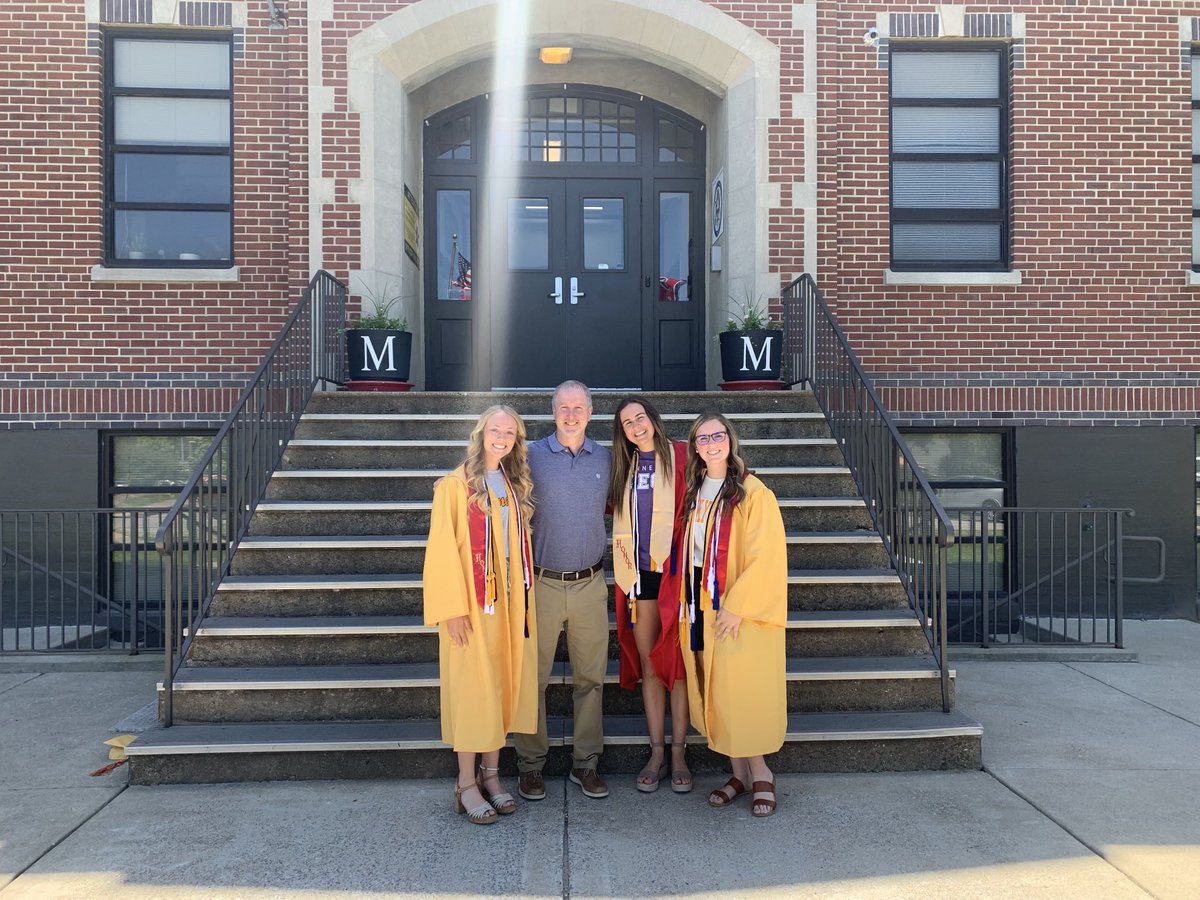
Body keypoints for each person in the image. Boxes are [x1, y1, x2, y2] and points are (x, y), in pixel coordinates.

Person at [423, 405, 538, 825]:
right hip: (471, 605)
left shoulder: (512, 483)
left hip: (509, 602)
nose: (502, 437)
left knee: (502, 686)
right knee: (474, 692)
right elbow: (440, 552)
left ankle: (492, 777)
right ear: (481, 433)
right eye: (496, 429)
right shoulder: (455, 486)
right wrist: (451, 611)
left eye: (510, 432)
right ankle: (466, 783)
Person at [673, 412, 787, 817]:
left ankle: (762, 774)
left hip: (737, 605)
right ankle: (738, 772)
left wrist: (738, 606)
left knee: (742, 690)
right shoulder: (695, 490)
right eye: (702, 439)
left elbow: (766, 556)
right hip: (699, 601)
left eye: (717, 435)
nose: (711, 444)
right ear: (695, 448)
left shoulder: (753, 493)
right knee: (715, 687)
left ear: (730, 441)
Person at [514, 380, 613, 800]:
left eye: (579, 407)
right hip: (540, 583)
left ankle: (585, 765)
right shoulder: (531, 456)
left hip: (590, 582)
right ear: (552, 411)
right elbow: (489, 471)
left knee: (591, 679)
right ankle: (530, 766)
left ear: (590, 412)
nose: (571, 414)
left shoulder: (606, 458)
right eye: (563, 407)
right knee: (530, 679)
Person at [608, 397, 693, 793]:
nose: (635, 426)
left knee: (674, 661)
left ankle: (679, 752)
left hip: (675, 572)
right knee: (650, 664)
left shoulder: (682, 454)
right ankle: (657, 750)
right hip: (636, 576)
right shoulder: (621, 467)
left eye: (640, 417)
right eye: (627, 422)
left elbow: (723, 476)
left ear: (654, 419)